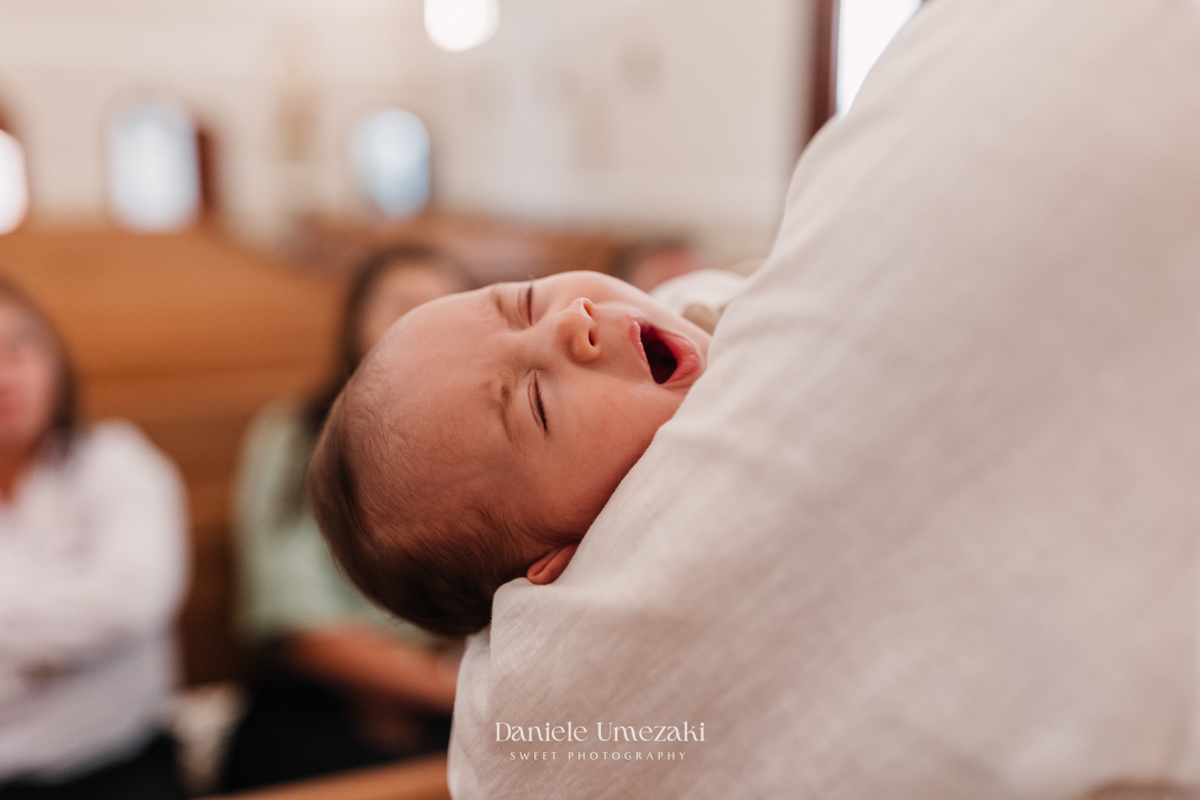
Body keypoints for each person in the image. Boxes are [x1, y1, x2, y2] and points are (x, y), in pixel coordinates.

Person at [307, 269, 741, 637]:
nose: (572, 320)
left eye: (526, 303)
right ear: (577, 559)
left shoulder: (712, 301)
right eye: (538, 404)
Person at [222, 244, 470, 792]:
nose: (419, 324)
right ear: (356, 321)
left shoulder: (483, 445)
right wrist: (466, 693)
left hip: (458, 687)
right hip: (325, 700)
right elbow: (299, 623)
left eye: (442, 308)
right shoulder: (293, 436)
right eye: (400, 305)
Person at [0, 278, 189, 800]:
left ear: (54, 360)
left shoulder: (115, 462)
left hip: (117, 764)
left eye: (19, 349)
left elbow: (129, 603)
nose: (5, 376)